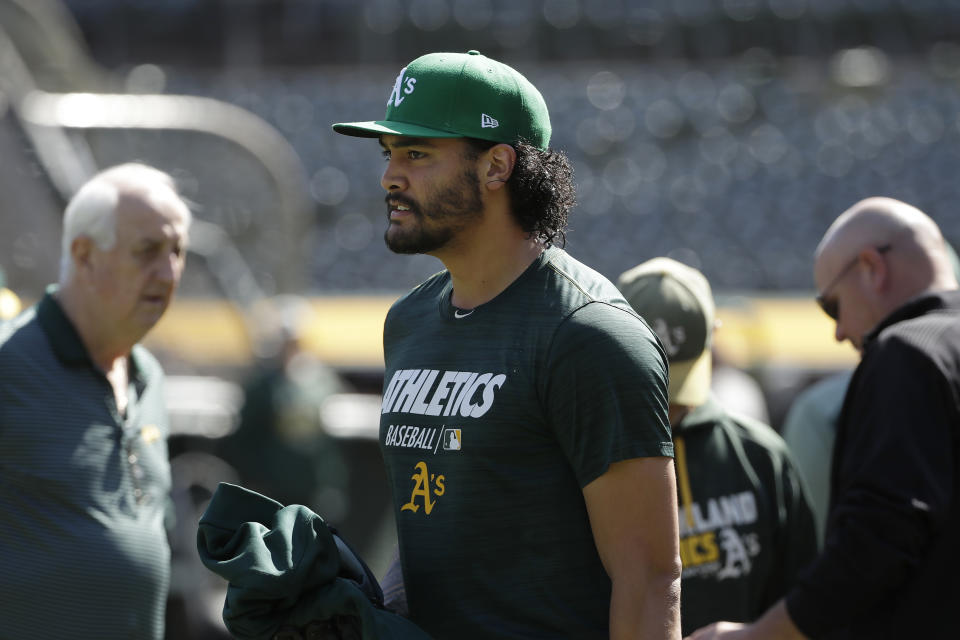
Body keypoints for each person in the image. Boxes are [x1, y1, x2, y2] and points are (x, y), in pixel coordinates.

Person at [332, 50, 681, 639]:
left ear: (496, 166)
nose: (390, 176)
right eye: (389, 154)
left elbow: (649, 579)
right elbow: (432, 530)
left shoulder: (590, 334)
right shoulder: (409, 321)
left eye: (416, 153)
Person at [689, 196, 960, 639]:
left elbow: (877, 540)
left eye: (831, 305)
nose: (836, 331)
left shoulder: (904, 353)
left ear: (872, 268)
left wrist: (759, 635)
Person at [0, 163, 192, 639]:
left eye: (178, 251)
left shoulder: (149, 378)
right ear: (84, 255)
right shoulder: (9, 364)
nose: (167, 272)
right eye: (148, 251)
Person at [617, 257, 817, 637]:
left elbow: (804, 597)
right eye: (651, 383)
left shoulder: (760, 455)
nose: (668, 406)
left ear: (715, 334)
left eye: (675, 386)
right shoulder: (582, 455)